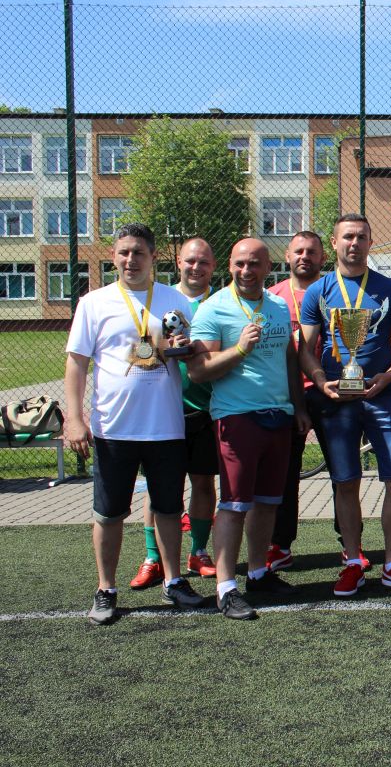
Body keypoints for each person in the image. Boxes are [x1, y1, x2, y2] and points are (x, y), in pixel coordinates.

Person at [63, 222, 205, 625]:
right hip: (113, 428)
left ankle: (174, 581)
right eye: (124, 252)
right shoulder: (94, 302)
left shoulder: (174, 300)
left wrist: (185, 349)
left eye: (139, 252)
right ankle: (106, 588)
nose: (131, 260)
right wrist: (74, 418)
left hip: (165, 426)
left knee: (168, 508)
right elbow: (77, 363)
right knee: (109, 513)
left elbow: (189, 350)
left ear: (153, 256)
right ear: (113, 257)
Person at [298, 213, 391, 597]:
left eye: (361, 237)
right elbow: (305, 348)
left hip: (380, 396)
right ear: (334, 243)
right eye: (347, 237)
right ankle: (354, 562)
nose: (354, 243)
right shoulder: (318, 291)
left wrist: (388, 375)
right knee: (345, 482)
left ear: (371, 243)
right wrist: (320, 379)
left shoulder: (389, 288)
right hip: (337, 401)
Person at [188, 239, 311, 620]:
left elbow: (289, 359)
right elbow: (198, 370)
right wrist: (239, 349)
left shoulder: (277, 305)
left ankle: (258, 573)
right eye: (240, 263)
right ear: (229, 265)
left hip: (279, 415)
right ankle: (226, 587)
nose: (247, 271)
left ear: (268, 266)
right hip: (237, 417)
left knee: (268, 501)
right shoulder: (213, 308)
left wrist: (298, 406)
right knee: (235, 505)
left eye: (255, 264)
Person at [129, 237, 219, 588]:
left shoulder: (219, 303)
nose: (196, 267)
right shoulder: (159, 301)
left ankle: (198, 552)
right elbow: (138, 351)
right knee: (158, 487)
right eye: (190, 261)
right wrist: (163, 347)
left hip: (206, 408)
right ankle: (153, 558)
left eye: (204, 262)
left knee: (203, 481)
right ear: (178, 262)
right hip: (162, 409)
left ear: (213, 266)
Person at [266, 230, 334, 573]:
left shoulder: (334, 292)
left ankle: (349, 543)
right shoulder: (272, 298)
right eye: (298, 251)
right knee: (284, 473)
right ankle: (279, 545)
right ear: (287, 256)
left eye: (311, 252)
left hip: (330, 390)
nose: (304, 257)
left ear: (323, 257)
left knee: (343, 471)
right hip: (286, 394)